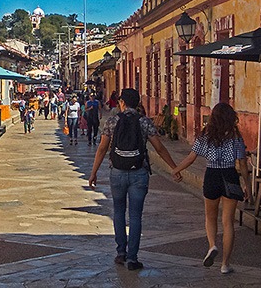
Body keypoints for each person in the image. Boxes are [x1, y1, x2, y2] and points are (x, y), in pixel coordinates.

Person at [89, 88, 182, 271]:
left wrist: (94, 173)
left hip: (117, 172)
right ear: (138, 103)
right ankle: (133, 258)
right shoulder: (144, 122)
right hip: (139, 172)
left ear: (122, 102)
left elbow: (101, 148)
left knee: (118, 211)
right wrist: (174, 167)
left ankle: (120, 252)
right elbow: (160, 148)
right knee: (135, 215)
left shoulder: (113, 121)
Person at [170, 103, 250, 275]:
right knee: (228, 222)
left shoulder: (205, 135)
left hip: (212, 175)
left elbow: (191, 158)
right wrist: (247, 185)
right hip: (230, 175)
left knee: (210, 216)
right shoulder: (236, 136)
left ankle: (212, 245)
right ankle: (225, 264)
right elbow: (243, 163)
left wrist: (176, 170)